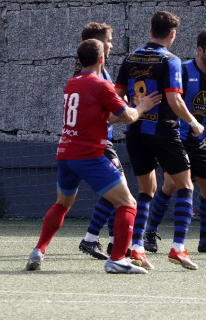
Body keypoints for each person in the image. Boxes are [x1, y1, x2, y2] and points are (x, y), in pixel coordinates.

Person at [26, 39, 161, 274]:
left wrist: (121, 109)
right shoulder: (101, 85)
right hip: (88, 155)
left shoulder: (72, 83)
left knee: (62, 204)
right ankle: (117, 258)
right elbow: (128, 117)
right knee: (128, 203)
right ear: (102, 59)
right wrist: (142, 107)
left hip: (65, 153)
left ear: (79, 60)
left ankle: (39, 250)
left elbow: (103, 117)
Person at [115, 10, 204, 270]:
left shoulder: (130, 58)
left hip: (134, 132)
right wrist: (194, 122)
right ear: (173, 34)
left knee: (146, 190)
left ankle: (138, 247)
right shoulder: (170, 60)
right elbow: (175, 101)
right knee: (185, 184)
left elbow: (117, 95)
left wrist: (136, 108)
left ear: (151, 30)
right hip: (163, 132)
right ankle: (178, 247)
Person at [142, 28, 206, 254]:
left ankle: (205, 241)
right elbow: (169, 102)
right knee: (170, 185)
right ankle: (150, 232)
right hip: (176, 138)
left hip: (197, 142)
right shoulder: (181, 70)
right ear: (200, 50)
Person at [72, 23, 125, 260]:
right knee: (117, 189)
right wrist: (134, 111)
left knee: (116, 192)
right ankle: (91, 239)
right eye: (109, 40)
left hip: (103, 140)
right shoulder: (88, 75)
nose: (112, 45)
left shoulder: (101, 71)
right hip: (95, 142)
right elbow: (99, 115)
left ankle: (114, 241)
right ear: (96, 44)